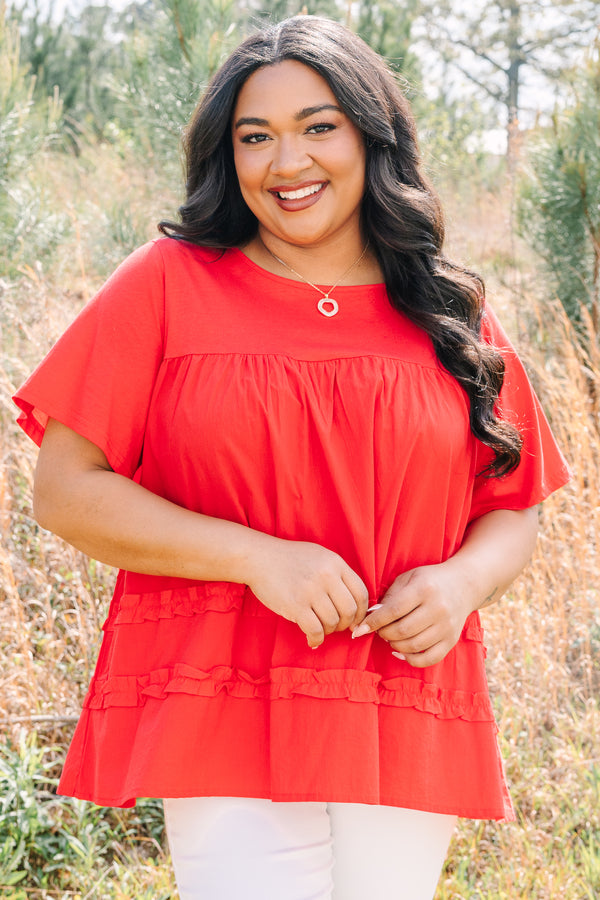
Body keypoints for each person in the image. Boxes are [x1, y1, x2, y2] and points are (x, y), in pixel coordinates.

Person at [13, 15, 570, 900]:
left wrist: (461, 585)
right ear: (226, 157)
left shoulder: (446, 306)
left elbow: (513, 504)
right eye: (255, 136)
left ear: (371, 136)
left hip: (400, 692)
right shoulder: (168, 283)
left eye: (319, 127)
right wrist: (255, 558)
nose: (288, 162)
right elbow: (66, 491)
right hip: (222, 689)